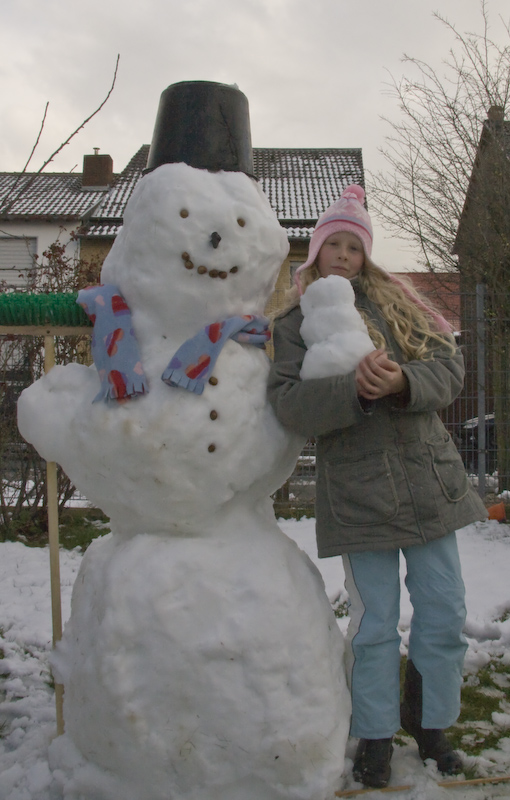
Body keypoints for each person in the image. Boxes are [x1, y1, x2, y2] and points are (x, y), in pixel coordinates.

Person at [267, 185, 487, 789]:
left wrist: (401, 382)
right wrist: (355, 392)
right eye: (332, 245)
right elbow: (289, 402)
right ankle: (375, 736)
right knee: (374, 625)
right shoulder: (294, 323)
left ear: (366, 254)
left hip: (427, 485)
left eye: (354, 247)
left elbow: (450, 369)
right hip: (359, 493)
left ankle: (435, 726)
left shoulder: (403, 306)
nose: (343, 255)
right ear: (314, 252)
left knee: (444, 612)